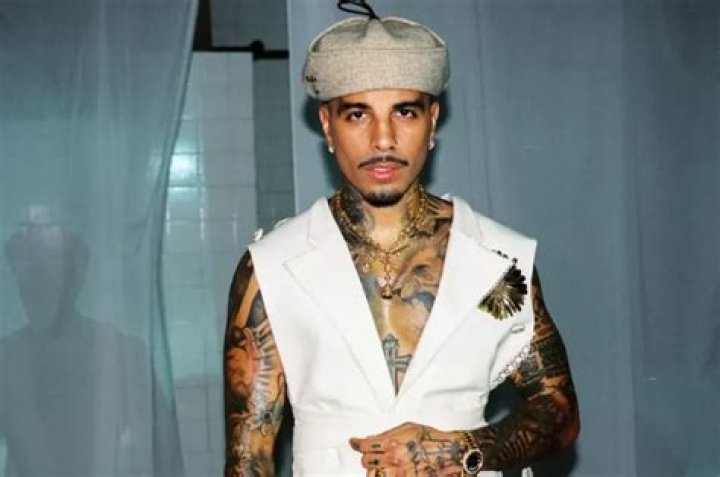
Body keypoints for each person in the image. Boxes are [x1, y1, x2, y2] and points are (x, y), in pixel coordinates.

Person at [223, 6, 579, 476]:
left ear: (432, 121)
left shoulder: (497, 263)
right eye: (358, 115)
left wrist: (463, 451)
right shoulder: (274, 267)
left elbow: (558, 410)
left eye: (404, 112)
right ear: (327, 125)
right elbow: (248, 459)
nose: (383, 139)